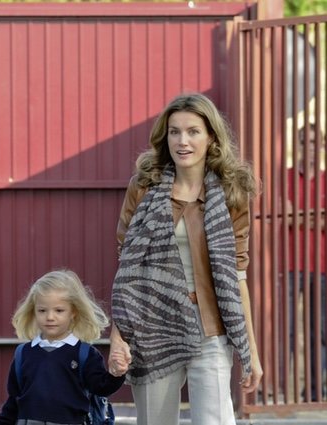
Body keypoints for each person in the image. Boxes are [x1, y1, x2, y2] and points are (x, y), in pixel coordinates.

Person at [109, 92, 263, 425]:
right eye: (175, 131)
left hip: (210, 327)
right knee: (155, 420)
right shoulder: (144, 187)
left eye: (193, 131)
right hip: (152, 327)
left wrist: (251, 349)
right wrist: (117, 338)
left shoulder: (231, 192)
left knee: (214, 420)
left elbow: (237, 274)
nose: (183, 141)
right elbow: (128, 272)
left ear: (211, 137)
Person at [0, 269, 127, 425]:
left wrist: (116, 373)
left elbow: (101, 387)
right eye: (42, 310)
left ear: (73, 312)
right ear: (33, 311)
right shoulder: (23, 353)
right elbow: (13, 402)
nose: (50, 317)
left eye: (59, 310)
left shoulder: (85, 354)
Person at [286, 122, 327, 401]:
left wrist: (297, 216)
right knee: (284, 330)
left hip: (322, 266)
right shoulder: (284, 178)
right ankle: (273, 391)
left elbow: (293, 217)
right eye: (305, 142)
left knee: (320, 332)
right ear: (297, 145)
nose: (310, 147)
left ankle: (313, 391)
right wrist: (314, 217)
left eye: (315, 142)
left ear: (321, 146)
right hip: (287, 264)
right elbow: (283, 216)